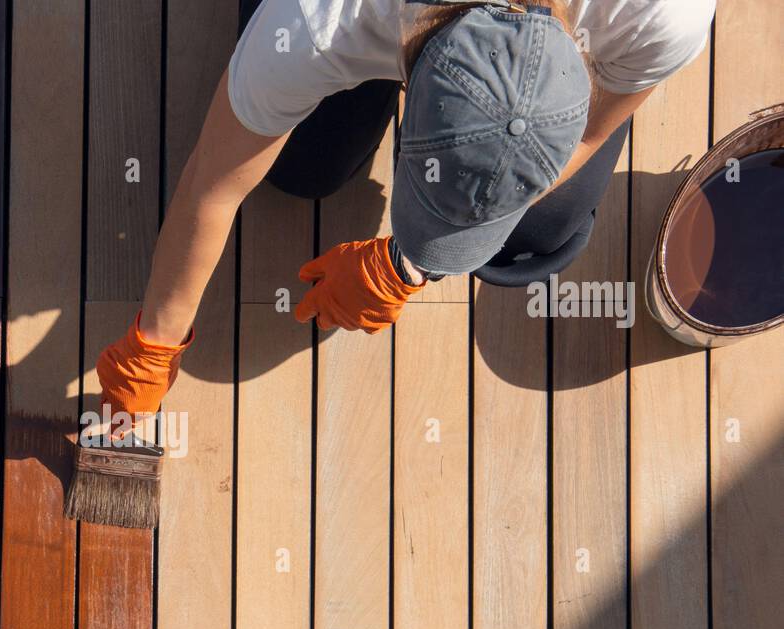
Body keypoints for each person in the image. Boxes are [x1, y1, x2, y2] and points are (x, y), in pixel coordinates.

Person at [95, 0, 716, 436]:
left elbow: (589, 133)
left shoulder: (665, 13)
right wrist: (152, 347)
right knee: (302, 169)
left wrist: (407, 263)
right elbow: (214, 179)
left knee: (535, 236)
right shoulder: (319, 20)